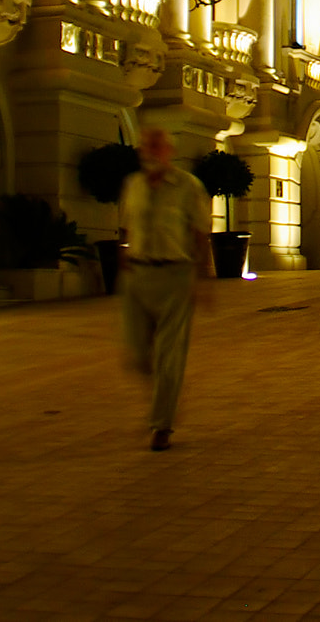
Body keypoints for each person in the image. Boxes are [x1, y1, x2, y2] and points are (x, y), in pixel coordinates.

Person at [117, 128, 214, 451]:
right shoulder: (133, 185)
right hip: (138, 275)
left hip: (175, 275)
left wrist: (205, 280)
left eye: (156, 145)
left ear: (168, 151)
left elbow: (201, 234)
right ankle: (165, 396)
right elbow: (127, 228)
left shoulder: (188, 187)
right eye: (146, 144)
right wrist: (123, 257)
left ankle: (162, 424)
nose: (149, 149)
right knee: (138, 355)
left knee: (169, 355)